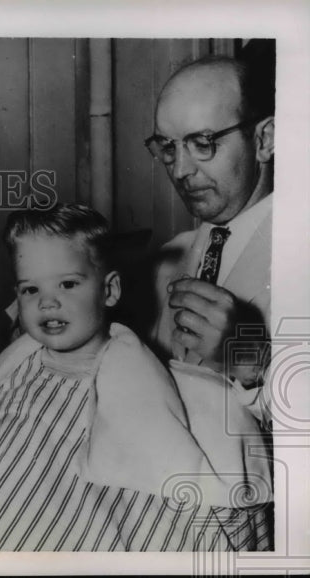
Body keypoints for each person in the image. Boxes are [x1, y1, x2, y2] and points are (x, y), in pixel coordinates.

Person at [0, 204, 272, 551]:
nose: (47, 303)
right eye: (30, 289)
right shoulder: (15, 365)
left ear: (110, 291)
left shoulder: (137, 382)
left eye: (68, 284)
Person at [146, 55, 274, 426]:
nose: (181, 170)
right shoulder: (172, 255)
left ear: (264, 139)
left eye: (202, 142)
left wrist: (251, 362)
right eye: (168, 148)